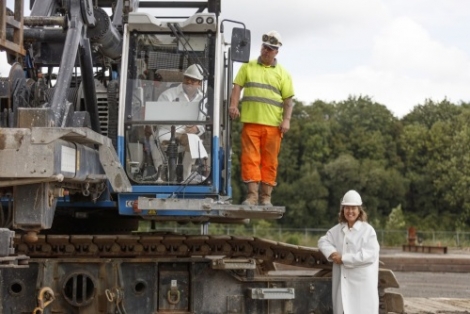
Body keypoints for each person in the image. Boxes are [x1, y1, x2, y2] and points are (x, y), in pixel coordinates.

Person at [229, 30, 294, 206]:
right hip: (251, 123)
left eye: (270, 49)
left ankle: (266, 198)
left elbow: (288, 99)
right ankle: (252, 196)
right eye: (264, 47)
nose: (266, 51)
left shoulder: (283, 73)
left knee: (270, 162)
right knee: (250, 159)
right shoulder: (247, 67)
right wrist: (233, 105)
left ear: (276, 52)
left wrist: (286, 120)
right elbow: (237, 88)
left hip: (273, 126)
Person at [317, 190, 380, 314]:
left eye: (353, 208)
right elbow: (322, 241)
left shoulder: (368, 231)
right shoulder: (338, 229)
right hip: (343, 286)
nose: (350, 211)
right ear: (343, 210)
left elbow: (369, 255)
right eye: (347, 208)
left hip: (362, 286)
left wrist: (344, 259)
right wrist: (332, 253)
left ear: (359, 210)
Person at [157, 64, 206, 181]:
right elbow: (159, 117)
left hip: (188, 134)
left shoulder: (203, 99)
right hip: (167, 131)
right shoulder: (168, 95)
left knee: (194, 141)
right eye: (187, 78)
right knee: (160, 141)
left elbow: (204, 121)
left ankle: (187, 176)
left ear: (199, 83)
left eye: (193, 80)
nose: (189, 82)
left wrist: (197, 128)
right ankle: (163, 175)